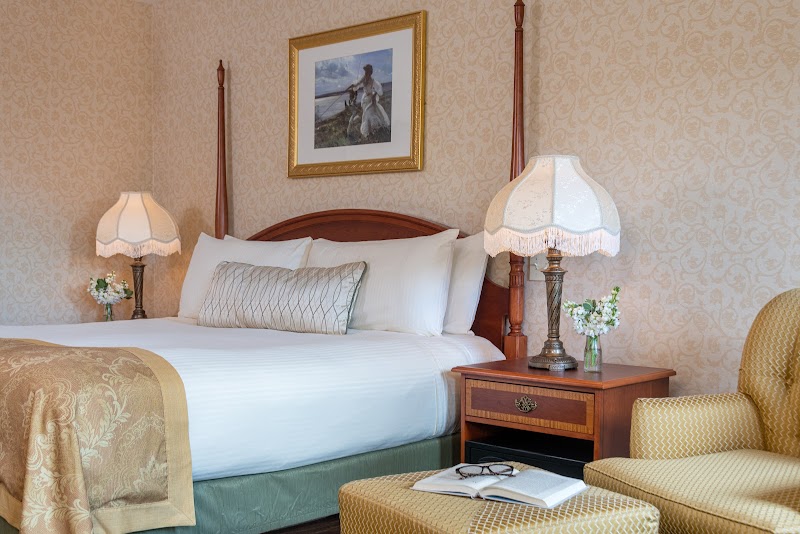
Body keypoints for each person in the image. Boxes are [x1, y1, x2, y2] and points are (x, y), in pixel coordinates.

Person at [347, 64, 390, 139]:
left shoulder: (373, 81)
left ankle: (373, 129)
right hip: (365, 99)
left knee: (369, 113)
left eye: (367, 72)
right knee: (366, 114)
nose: (366, 73)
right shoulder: (363, 78)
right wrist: (353, 86)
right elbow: (357, 84)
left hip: (371, 98)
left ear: (370, 72)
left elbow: (379, 90)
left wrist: (374, 94)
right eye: (365, 71)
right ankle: (370, 131)